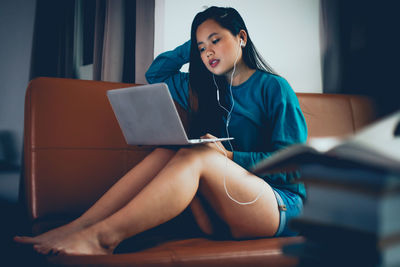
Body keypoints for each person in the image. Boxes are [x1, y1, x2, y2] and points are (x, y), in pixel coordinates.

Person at [14, 6, 307, 255]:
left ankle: (104, 238)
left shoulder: (273, 88)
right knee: (170, 149)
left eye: (216, 40)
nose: (208, 52)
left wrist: (229, 156)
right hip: (224, 212)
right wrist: (193, 45)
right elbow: (157, 73)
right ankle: (77, 227)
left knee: (199, 156)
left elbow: (294, 165)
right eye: (202, 48)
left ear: (241, 37)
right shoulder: (206, 88)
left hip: (278, 206)